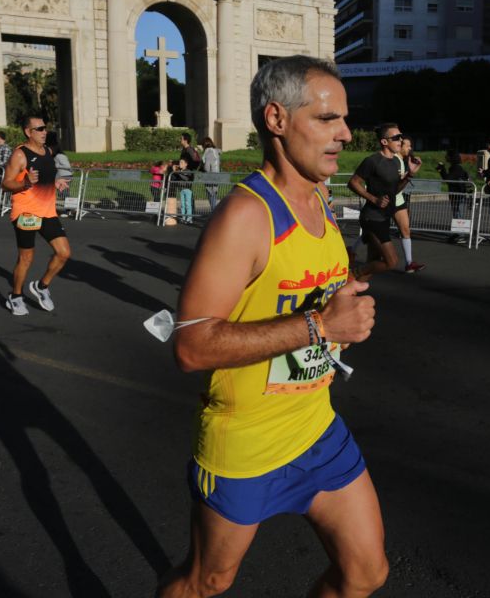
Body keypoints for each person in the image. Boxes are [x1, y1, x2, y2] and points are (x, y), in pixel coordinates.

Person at [158, 55, 386, 598]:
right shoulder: (247, 217)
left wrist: (343, 296)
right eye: (327, 119)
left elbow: (298, 287)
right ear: (277, 119)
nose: (345, 133)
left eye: (344, 119)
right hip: (245, 444)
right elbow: (190, 345)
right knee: (206, 582)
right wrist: (318, 324)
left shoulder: (321, 198)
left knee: (365, 574)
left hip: (316, 428)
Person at [0, 117, 72, 315]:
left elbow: (46, 177)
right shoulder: (20, 155)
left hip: (48, 212)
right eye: (39, 129)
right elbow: (5, 184)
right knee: (26, 259)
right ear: (28, 132)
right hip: (25, 213)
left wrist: (56, 183)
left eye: (45, 128)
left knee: (64, 253)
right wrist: (25, 183)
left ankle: (41, 287)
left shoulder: (48, 152)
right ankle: (15, 296)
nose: (44, 132)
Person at [349, 123, 418, 279]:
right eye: (396, 138)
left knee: (372, 264)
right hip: (372, 218)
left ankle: (351, 293)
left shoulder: (395, 161)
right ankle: (351, 275)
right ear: (384, 142)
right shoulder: (372, 161)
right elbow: (353, 182)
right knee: (391, 261)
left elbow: (394, 191)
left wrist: (409, 176)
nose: (400, 140)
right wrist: (374, 199)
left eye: (401, 137)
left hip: (384, 217)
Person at [392, 136, 425, 273]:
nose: (410, 148)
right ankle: (352, 250)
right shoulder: (393, 160)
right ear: (400, 146)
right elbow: (395, 187)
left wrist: (410, 172)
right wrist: (409, 174)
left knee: (406, 231)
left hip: (398, 200)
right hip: (386, 201)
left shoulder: (402, 161)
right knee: (371, 232)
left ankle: (409, 263)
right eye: (408, 146)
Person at [437, 148, 471, 245]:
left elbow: (448, 179)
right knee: (457, 214)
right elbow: (447, 179)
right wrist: (441, 170)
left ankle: (461, 235)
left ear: (452, 157)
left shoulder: (457, 168)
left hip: (459, 195)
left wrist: (442, 169)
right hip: (455, 195)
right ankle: (457, 233)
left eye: (448, 155)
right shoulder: (454, 167)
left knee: (459, 215)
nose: (446, 157)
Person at [175, 133, 202, 224]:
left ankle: (190, 216)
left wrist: (189, 170)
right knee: (184, 198)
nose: (180, 140)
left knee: (187, 197)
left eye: (181, 139)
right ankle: (185, 216)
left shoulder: (189, 150)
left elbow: (196, 161)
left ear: (185, 140)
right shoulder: (184, 149)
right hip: (183, 175)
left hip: (187, 176)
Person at [47, 132, 73, 218]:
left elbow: (67, 165)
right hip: (62, 176)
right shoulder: (57, 156)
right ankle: (68, 210)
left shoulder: (59, 156)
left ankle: (68, 211)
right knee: (63, 193)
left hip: (64, 176)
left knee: (64, 193)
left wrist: (55, 165)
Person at [200, 136, 222, 211]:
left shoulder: (208, 152)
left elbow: (207, 167)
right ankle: (215, 212)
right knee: (214, 194)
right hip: (217, 176)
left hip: (209, 177)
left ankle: (214, 213)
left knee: (210, 195)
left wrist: (202, 167)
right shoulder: (216, 152)